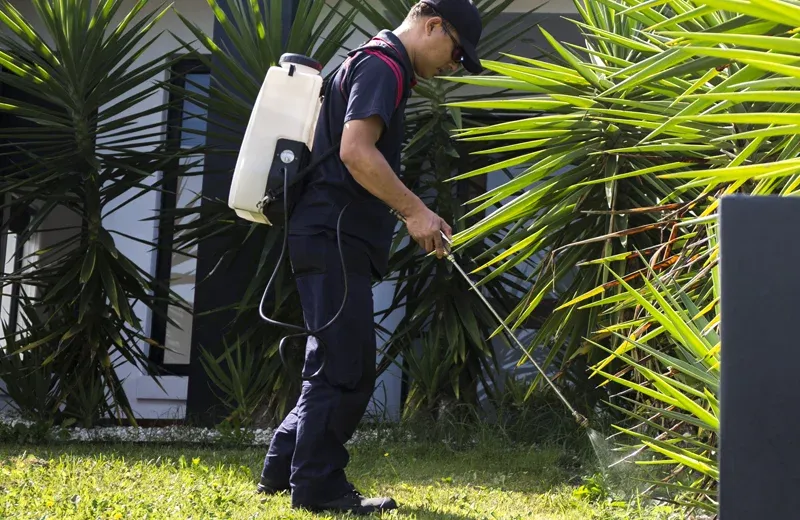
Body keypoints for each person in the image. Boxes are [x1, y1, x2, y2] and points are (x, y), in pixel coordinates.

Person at [256, 0, 484, 514]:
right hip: (333, 235)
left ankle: (281, 470)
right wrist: (416, 212)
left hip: (324, 234)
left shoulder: (373, 60)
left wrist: (414, 212)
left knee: (331, 360)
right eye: (455, 52)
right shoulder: (384, 66)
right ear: (432, 26)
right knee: (346, 366)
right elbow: (356, 152)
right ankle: (318, 488)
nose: (453, 65)